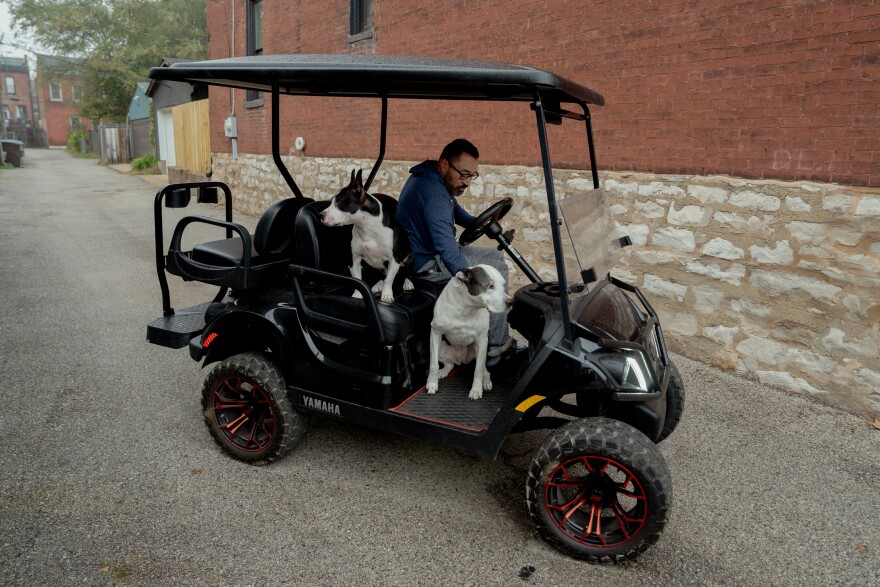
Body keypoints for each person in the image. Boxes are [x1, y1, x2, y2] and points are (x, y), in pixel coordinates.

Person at [396, 138, 512, 353]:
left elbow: (456, 212)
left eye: (472, 175)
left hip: (432, 254)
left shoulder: (435, 180)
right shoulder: (433, 193)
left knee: (497, 258)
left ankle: (491, 335)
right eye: (464, 174)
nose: (468, 182)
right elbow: (446, 248)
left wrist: (480, 222)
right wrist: (471, 279)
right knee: (499, 272)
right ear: (444, 165)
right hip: (425, 264)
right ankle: (493, 348)